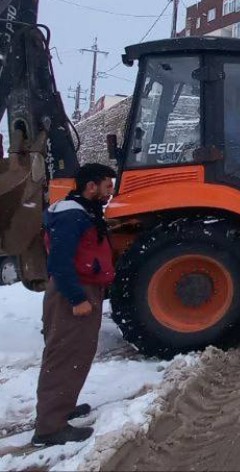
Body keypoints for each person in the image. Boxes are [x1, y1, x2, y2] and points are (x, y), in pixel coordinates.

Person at [32, 163, 117, 447]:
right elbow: (59, 261)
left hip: (81, 287)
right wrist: (77, 298)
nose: (110, 191)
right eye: (107, 185)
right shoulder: (72, 215)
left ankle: (61, 408)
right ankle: (50, 427)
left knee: (76, 351)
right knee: (66, 353)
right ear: (90, 186)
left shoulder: (81, 210)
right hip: (73, 291)